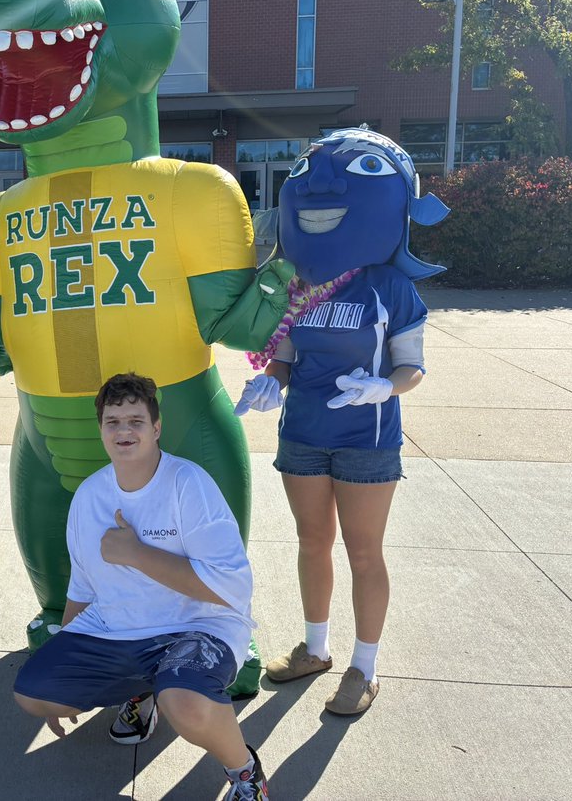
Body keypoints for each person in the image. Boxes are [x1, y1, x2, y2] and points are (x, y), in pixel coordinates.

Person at [235, 127, 448, 716]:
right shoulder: (302, 283)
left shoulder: (392, 288)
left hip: (367, 442)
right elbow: (285, 353)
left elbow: (412, 368)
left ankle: (364, 667)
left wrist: (382, 388)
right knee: (311, 543)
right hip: (302, 436)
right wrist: (268, 381)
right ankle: (316, 647)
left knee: (363, 554)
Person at [13, 373, 269, 801]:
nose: (124, 430)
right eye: (112, 422)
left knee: (185, 703)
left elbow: (232, 589)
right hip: (120, 628)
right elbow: (82, 587)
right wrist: (64, 663)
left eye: (135, 419)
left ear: (156, 428)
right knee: (33, 693)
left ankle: (244, 772)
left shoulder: (188, 485)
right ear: (101, 431)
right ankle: (142, 688)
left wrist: (137, 553)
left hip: (199, 627)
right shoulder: (90, 496)